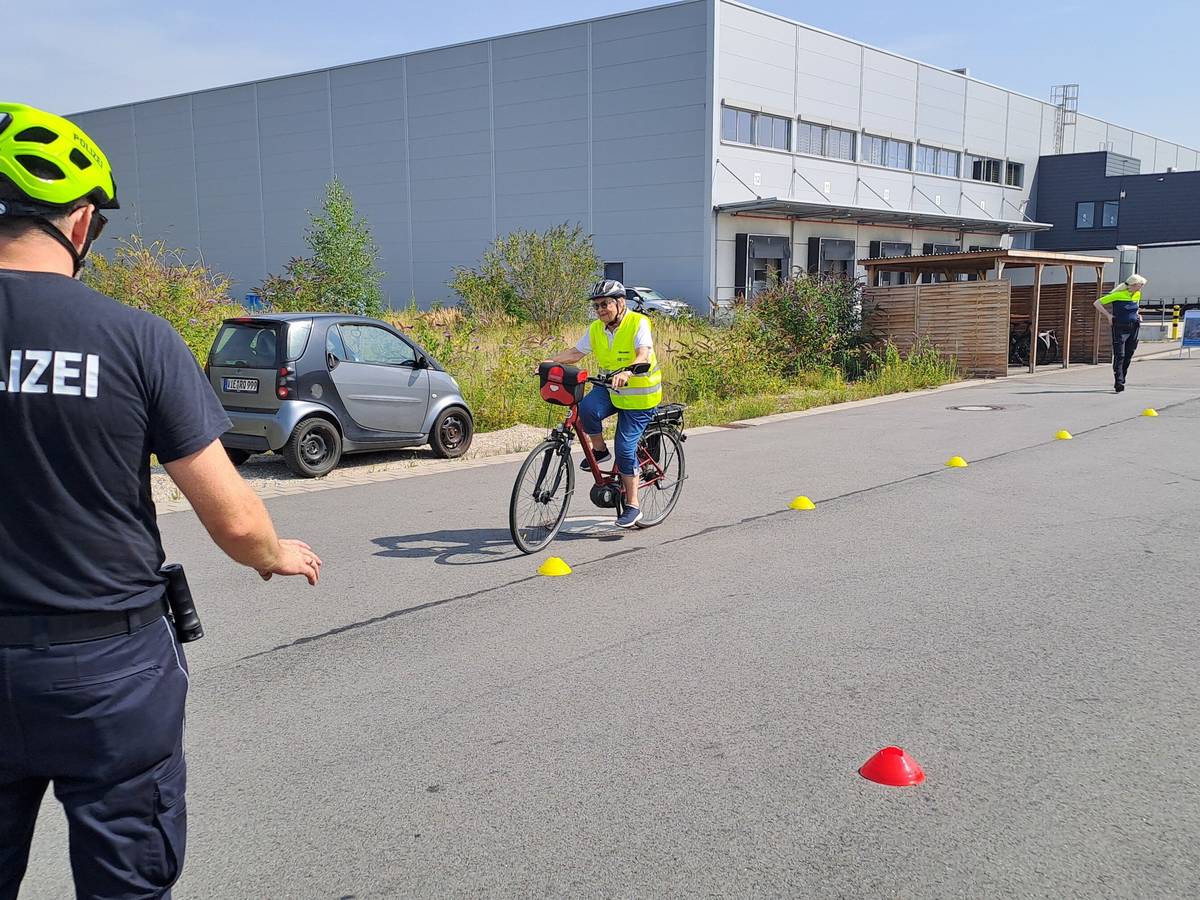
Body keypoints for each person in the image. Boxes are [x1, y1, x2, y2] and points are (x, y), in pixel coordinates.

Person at [0, 102, 322, 900]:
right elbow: (236, 518)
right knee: (126, 882)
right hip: (105, 669)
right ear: (79, 223)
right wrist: (272, 554)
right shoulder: (136, 338)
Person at [543, 279, 662, 528]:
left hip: (639, 397)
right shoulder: (597, 328)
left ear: (620, 303)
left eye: (605, 304)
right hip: (610, 389)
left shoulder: (638, 322)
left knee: (626, 449)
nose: (600, 310)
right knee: (584, 409)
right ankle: (599, 450)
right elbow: (576, 353)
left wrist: (629, 371)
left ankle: (633, 506)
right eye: (596, 306)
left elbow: (643, 353)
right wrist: (549, 363)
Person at [1094, 273, 1148, 393]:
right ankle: (1118, 382)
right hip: (1120, 327)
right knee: (1120, 355)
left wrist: (1138, 314)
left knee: (1129, 354)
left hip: (1134, 326)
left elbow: (1135, 306)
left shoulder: (1137, 294)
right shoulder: (1117, 295)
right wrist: (1108, 316)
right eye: (1140, 285)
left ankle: (1122, 378)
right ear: (1133, 285)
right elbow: (1097, 303)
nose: (1141, 288)